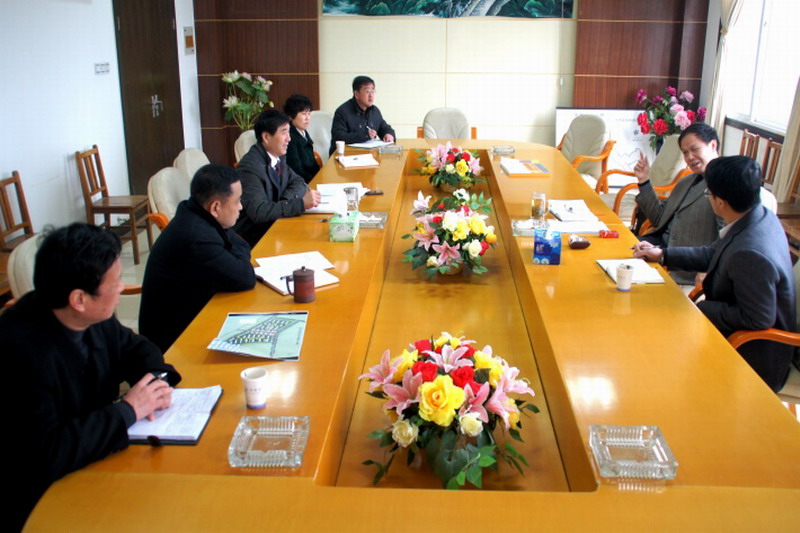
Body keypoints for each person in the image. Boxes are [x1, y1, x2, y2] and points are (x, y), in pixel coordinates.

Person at [1, 224, 181, 531]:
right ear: (79, 299)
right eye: (116, 282)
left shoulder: (90, 315)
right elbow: (47, 454)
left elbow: (136, 348)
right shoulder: (19, 352)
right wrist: (129, 409)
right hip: (43, 497)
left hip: (96, 459)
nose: (122, 288)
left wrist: (155, 381)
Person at [635, 156, 796, 392]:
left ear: (720, 202)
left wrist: (702, 309)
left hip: (755, 355)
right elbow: (714, 253)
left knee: (655, 347)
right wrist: (662, 254)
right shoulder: (758, 216)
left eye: (708, 193)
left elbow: (758, 319)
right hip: (740, 333)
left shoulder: (751, 252)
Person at [140, 164, 257, 352]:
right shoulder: (197, 237)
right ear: (216, 207)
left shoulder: (195, 211)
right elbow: (245, 277)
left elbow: (242, 245)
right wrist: (238, 253)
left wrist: (236, 252)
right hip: (174, 342)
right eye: (237, 201)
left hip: (193, 313)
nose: (241, 207)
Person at [633, 122, 722, 284]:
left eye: (695, 149)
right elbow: (659, 218)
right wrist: (644, 181)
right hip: (656, 245)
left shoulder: (724, 184)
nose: (690, 157)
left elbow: (727, 236)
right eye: (685, 153)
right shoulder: (686, 181)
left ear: (713, 145)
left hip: (681, 263)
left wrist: (710, 267)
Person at [235, 109, 321, 247]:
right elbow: (259, 212)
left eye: (289, 132)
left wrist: (285, 202)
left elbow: (298, 181)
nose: (289, 138)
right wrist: (299, 204)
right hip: (256, 239)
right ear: (266, 137)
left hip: (277, 226)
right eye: (284, 132)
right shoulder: (250, 168)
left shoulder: (278, 156)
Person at [329, 75, 396, 155]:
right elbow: (339, 137)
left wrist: (388, 134)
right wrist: (365, 135)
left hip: (368, 156)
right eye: (367, 91)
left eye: (372, 91)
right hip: (346, 157)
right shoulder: (342, 112)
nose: (371, 95)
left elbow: (384, 127)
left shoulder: (374, 111)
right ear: (356, 94)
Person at [284, 93, 321, 183]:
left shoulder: (303, 132)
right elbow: (297, 171)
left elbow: (313, 162)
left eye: (309, 113)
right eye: (304, 114)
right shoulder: (289, 137)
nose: (307, 118)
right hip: (303, 183)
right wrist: (316, 181)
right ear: (291, 116)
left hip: (313, 179)